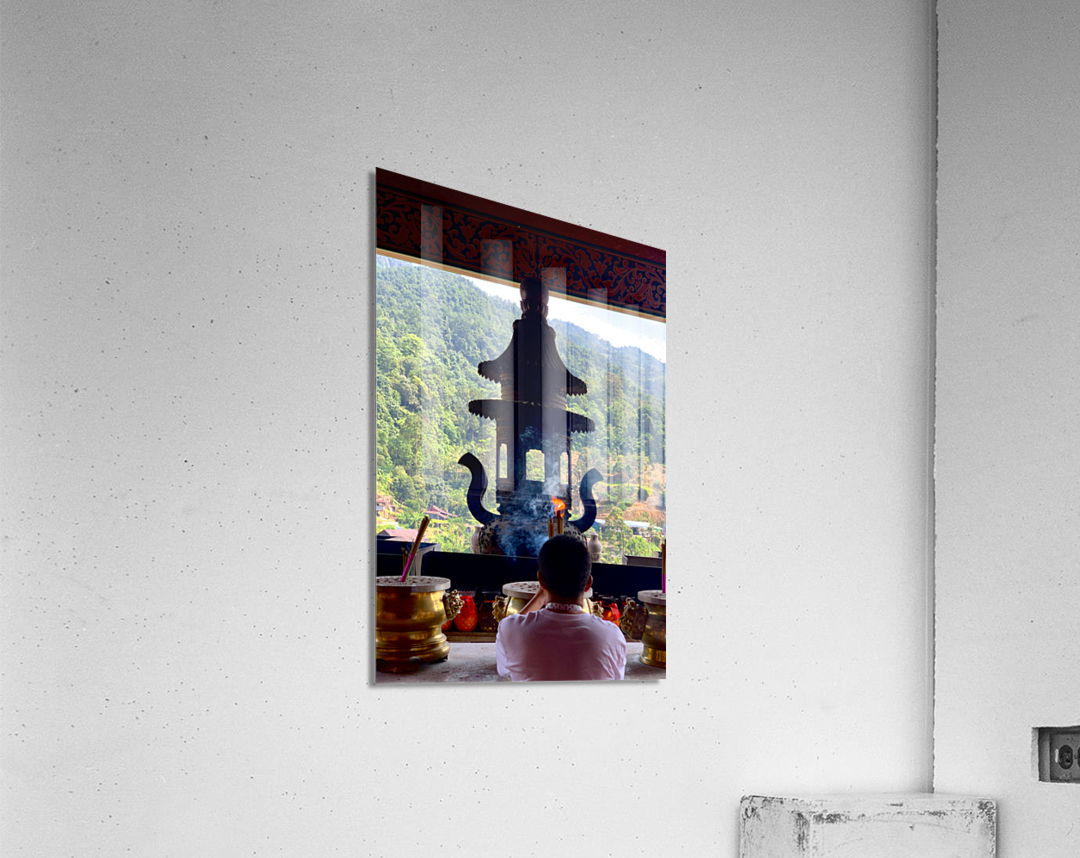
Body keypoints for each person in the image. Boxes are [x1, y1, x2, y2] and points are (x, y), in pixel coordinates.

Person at [495, 534, 626, 681]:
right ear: (588, 584)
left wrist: (539, 597)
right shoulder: (612, 636)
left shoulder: (510, 630)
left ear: (541, 581)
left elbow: (503, 670)